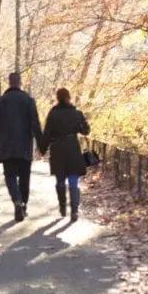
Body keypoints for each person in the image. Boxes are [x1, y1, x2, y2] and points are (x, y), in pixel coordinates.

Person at [0, 72, 44, 222]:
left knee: (10, 175)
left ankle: (16, 199)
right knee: (25, 177)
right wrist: (41, 145)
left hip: (6, 145)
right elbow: (35, 124)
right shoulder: (28, 100)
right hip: (25, 145)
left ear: (9, 82)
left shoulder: (1, 101)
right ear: (20, 83)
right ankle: (23, 205)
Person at [40, 88, 91, 222]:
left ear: (57, 98)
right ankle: (74, 210)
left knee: (60, 180)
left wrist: (42, 149)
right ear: (69, 97)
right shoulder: (76, 113)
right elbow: (86, 131)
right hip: (73, 147)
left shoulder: (53, 114)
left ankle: (62, 206)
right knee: (74, 179)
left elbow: (47, 134)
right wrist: (84, 121)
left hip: (57, 149)